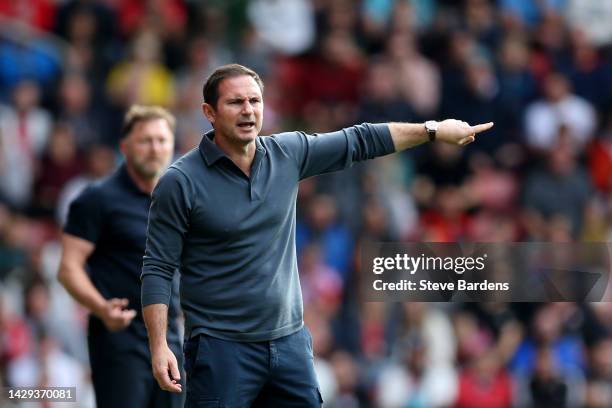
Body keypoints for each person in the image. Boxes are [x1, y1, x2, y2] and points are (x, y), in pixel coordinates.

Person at [141, 64, 494, 407]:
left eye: (255, 101)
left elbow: (361, 140)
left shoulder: (287, 153)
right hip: (221, 349)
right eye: (235, 102)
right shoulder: (180, 182)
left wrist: (432, 129)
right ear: (209, 112)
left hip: (289, 343)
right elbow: (157, 268)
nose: (248, 110)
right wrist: (159, 345)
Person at [58, 105, 183, 408]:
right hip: (120, 334)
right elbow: (68, 268)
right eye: (145, 140)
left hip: (171, 335)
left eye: (162, 140)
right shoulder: (97, 199)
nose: (155, 148)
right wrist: (101, 308)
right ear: (124, 146)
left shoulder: (177, 198)